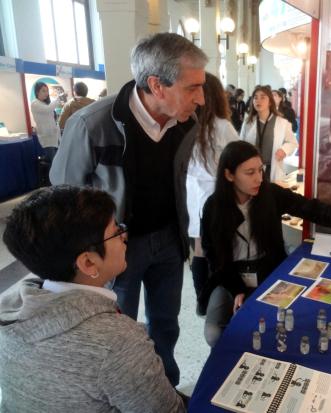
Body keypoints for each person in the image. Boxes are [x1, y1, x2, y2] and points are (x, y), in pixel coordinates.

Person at [50, 32, 207, 386]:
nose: (201, 98)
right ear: (157, 85)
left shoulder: (187, 125)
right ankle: (122, 397)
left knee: (166, 323)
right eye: (193, 87)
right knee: (118, 331)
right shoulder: (92, 124)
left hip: (168, 240)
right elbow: (61, 196)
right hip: (117, 249)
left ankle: (163, 388)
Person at [199, 141, 331, 346]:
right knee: (214, 333)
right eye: (249, 172)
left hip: (268, 271)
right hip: (230, 276)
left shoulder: (269, 195)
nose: (259, 178)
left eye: (261, 170)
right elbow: (214, 257)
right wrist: (237, 290)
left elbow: (316, 211)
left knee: (263, 328)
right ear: (229, 175)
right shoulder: (214, 208)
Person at [0, 186, 185, 412]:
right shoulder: (117, 341)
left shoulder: (9, 317)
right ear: (88, 263)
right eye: (116, 232)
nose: (125, 236)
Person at [187, 72, 239, 315]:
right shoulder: (223, 126)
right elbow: (238, 159)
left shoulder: (187, 124)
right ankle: (216, 298)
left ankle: (201, 300)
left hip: (193, 195)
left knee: (199, 248)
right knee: (219, 249)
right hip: (216, 194)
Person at [240, 85, 298, 182]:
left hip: (272, 168)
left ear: (270, 102)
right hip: (252, 170)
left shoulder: (282, 123)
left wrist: (284, 150)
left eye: (263, 97)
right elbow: (240, 145)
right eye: (255, 98)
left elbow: (293, 142)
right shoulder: (248, 123)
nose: (258, 100)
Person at [30, 81, 63, 161]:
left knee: (57, 161)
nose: (46, 93)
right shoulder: (35, 103)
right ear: (37, 92)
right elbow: (48, 110)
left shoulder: (45, 104)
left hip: (54, 136)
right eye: (43, 91)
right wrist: (59, 99)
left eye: (47, 91)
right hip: (47, 138)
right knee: (53, 162)